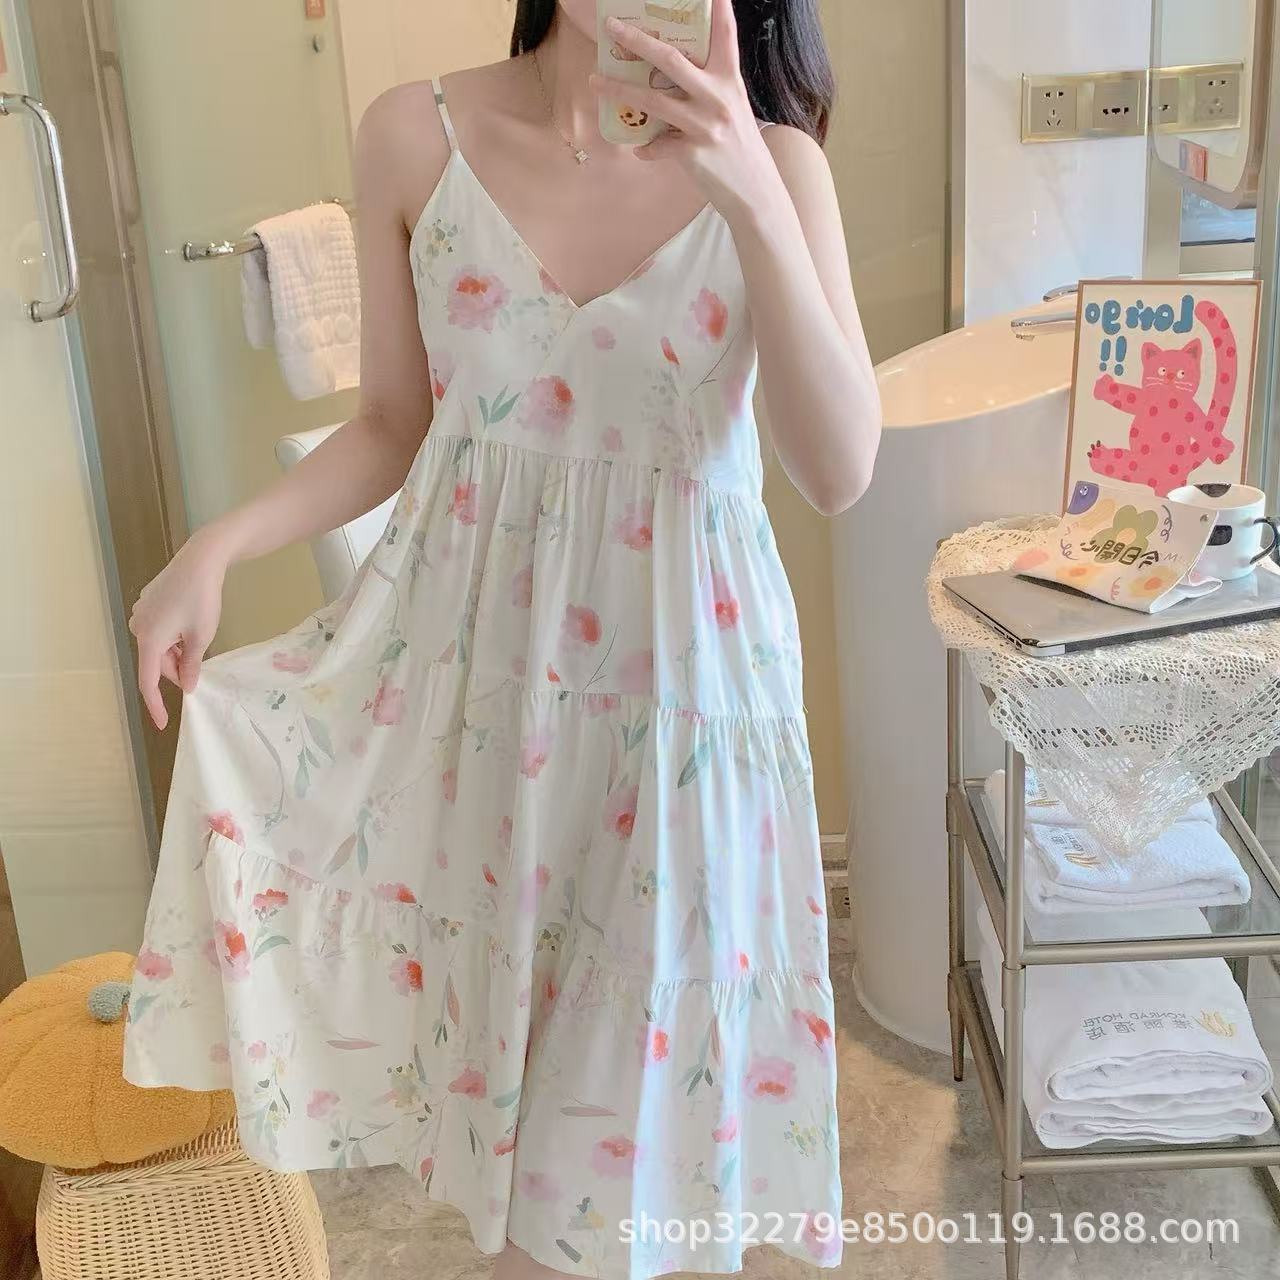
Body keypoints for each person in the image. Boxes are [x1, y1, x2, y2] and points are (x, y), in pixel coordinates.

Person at [124, 1, 881, 1275]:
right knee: (523, 1133)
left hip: (681, 718)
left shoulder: (776, 162)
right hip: (480, 711)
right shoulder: (411, 137)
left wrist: (750, 191)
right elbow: (390, 421)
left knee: (615, 1164)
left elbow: (838, 465)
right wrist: (217, 546)